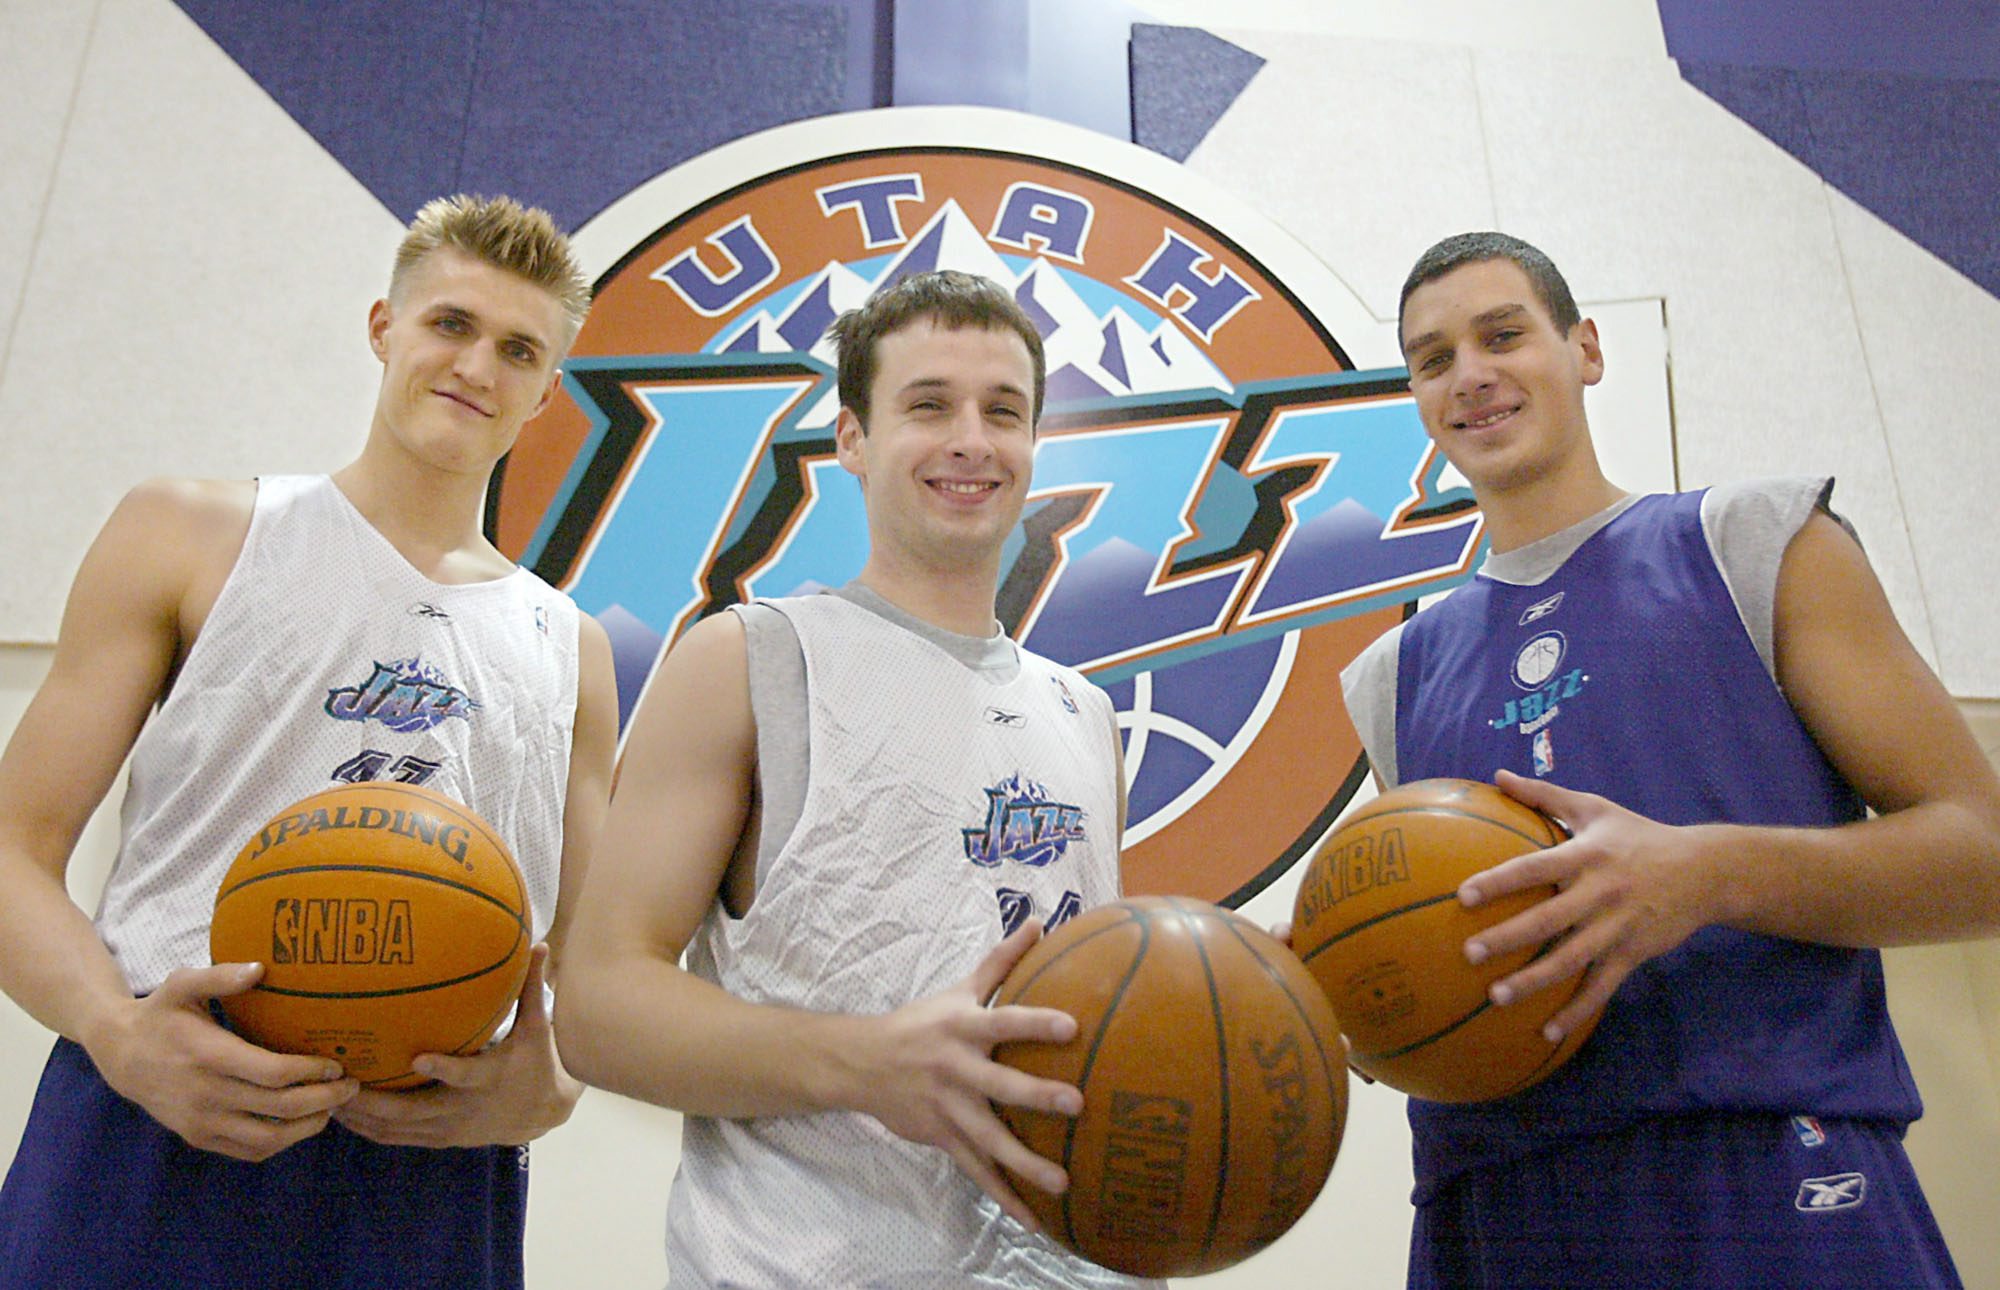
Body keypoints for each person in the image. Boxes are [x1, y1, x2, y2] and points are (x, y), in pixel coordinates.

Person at [1339, 229, 2000, 1288]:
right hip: (1495, 1212)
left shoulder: (1755, 543)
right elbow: (1443, 974)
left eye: (1501, 334)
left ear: (1585, 348)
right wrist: (1348, 984)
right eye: (1431, 359)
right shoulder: (1390, 676)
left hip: (1768, 1178)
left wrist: (1701, 875)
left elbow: (1981, 857)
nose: (1468, 374)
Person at [0, 194, 619, 1289]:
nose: (476, 364)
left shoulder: (569, 643)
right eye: (449, 325)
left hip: (426, 1158)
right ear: (384, 327)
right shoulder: (189, 532)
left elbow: (592, 959)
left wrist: (554, 1081)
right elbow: (12, 847)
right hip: (162, 1098)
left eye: (518, 349)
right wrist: (115, 1031)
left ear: (546, 389)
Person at [556, 269, 1155, 1288]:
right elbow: (598, 1006)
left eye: (1001, 412)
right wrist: (865, 1062)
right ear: (851, 440)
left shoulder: (1083, 715)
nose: (971, 438)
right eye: (927, 405)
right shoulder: (749, 658)